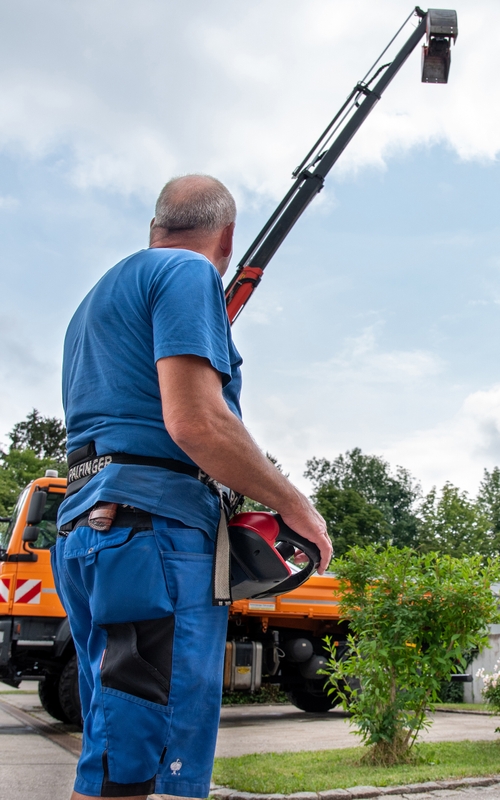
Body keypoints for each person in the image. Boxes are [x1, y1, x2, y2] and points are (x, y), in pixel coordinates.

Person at [54, 174, 332, 800]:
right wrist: (295, 505)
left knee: (118, 758)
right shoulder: (186, 272)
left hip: (91, 527)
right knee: (139, 775)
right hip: (154, 535)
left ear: (154, 226)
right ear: (227, 238)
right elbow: (197, 423)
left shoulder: (92, 305)